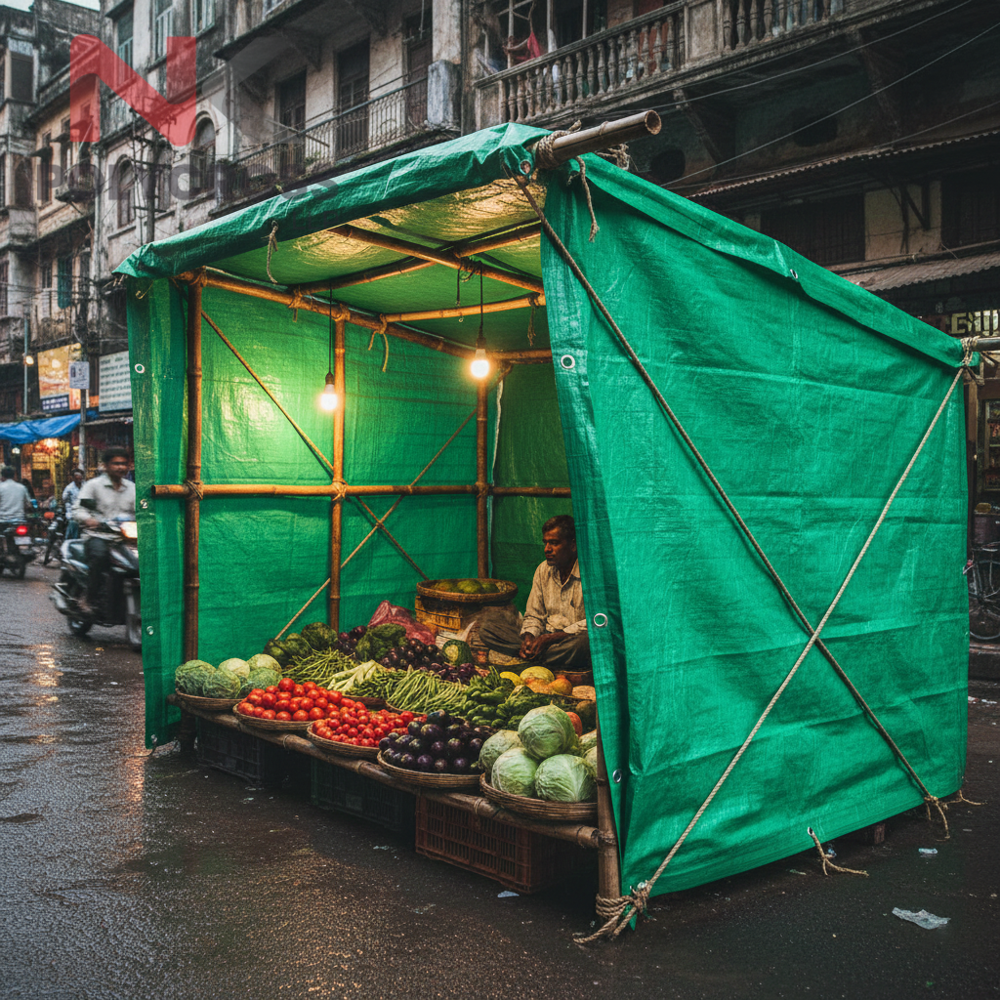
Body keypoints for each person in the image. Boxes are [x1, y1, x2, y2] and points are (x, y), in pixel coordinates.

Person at [479, 514, 591, 669]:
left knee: (585, 643)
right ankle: (535, 654)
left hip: (570, 640)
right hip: (544, 640)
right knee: (488, 628)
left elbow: (595, 622)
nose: (547, 549)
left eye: (554, 543)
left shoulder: (592, 575)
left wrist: (552, 638)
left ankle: (537, 657)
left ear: (573, 545)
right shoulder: (543, 570)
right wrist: (529, 639)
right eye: (545, 543)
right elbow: (534, 614)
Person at [72, 448, 136, 614]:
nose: (120, 467)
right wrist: (88, 519)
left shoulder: (132, 488)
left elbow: (142, 512)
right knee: (100, 557)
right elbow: (79, 509)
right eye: (116, 463)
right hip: (98, 536)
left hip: (124, 539)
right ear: (106, 466)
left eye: (123, 463)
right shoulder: (93, 486)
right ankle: (88, 598)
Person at [0, 466, 32, 556]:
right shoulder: (21, 487)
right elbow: (28, 504)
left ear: (2, 476)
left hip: (3, 521)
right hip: (19, 520)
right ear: (14, 476)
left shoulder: (1, 487)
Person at [62, 469, 85, 540]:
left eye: (80, 476)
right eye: (76, 476)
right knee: (74, 524)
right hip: (73, 512)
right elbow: (65, 500)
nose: (78, 478)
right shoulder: (69, 488)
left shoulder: (86, 486)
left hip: (85, 511)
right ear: (73, 478)